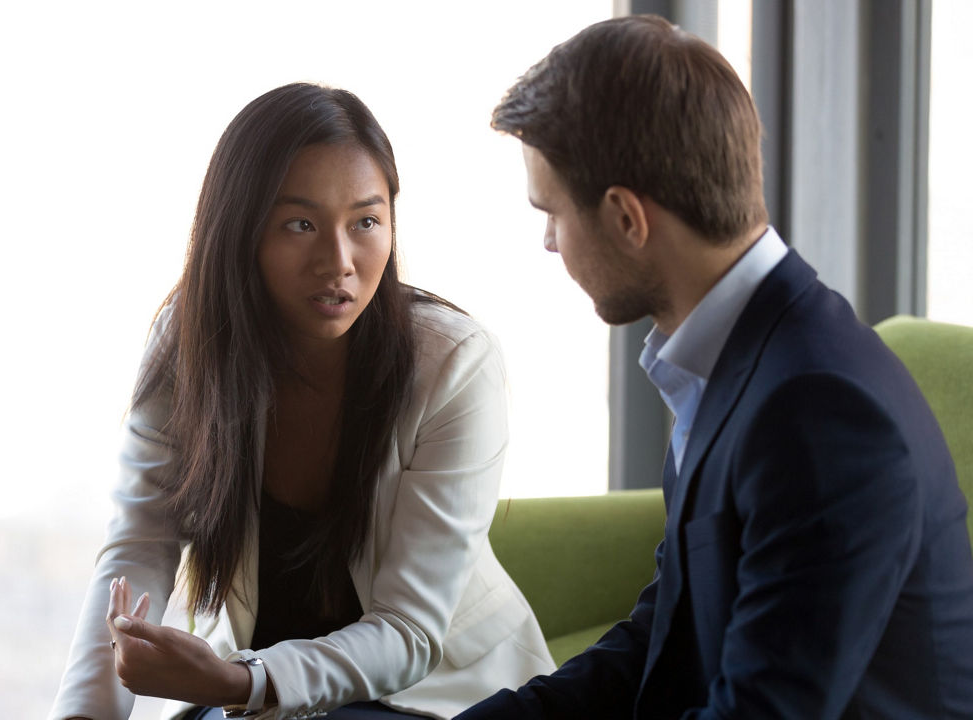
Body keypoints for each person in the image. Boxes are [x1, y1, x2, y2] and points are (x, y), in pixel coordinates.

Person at [458, 15, 973, 719]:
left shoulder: (817, 413)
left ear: (626, 219)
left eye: (551, 213)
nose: (548, 242)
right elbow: (663, 636)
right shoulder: (744, 357)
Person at [48, 82, 554, 720]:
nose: (338, 261)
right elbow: (138, 548)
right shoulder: (191, 342)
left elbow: (409, 632)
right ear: (241, 231)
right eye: (301, 224)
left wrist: (241, 682)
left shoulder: (453, 362)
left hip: (432, 692)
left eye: (366, 222)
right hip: (257, 691)